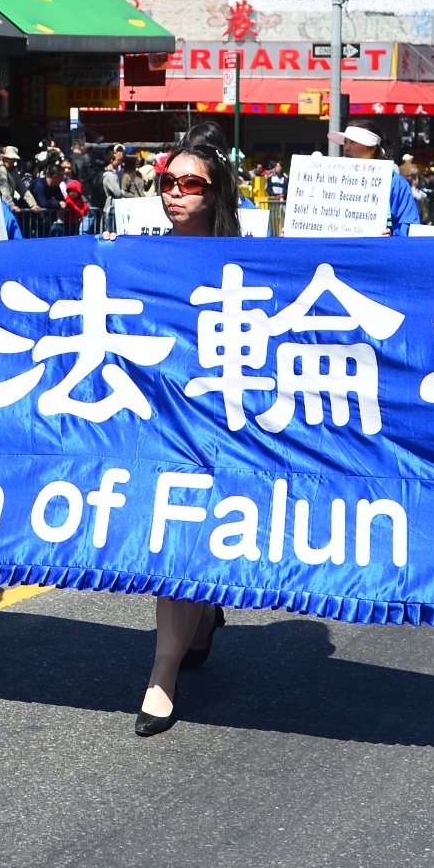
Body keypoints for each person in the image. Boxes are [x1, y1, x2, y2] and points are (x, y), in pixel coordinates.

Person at [132, 126, 240, 738]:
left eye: (189, 184)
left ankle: (163, 673)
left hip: (219, 420)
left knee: (192, 533)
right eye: (166, 182)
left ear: (215, 190)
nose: (174, 193)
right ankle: (179, 648)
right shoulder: (142, 254)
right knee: (174, 534)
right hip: (159, 418)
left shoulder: (249, 260)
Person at [329, 122, 422, 235]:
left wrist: (393, 232)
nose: (346, 148)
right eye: (345, 142)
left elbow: (410, 226)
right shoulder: (333, 178)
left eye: (353, 142)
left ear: (372, 148)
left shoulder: (395, 183)